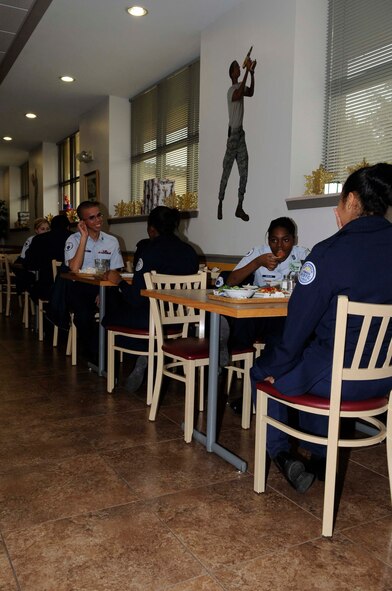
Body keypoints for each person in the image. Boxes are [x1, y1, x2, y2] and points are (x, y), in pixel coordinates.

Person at [250, 162, 392, 493]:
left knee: (267, 370)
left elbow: (297, 329)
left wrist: (274, 367)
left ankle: (284, 456)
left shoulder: (328, 253)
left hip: (335, 378)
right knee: (308, 366)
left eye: (340, 202)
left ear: (353, 201)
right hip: (383, 379)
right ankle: (319, 457)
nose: (337, 209)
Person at [102, 206, 199, 392]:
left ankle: (146, 351)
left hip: (150, 319)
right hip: (180, 322)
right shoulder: (190, 252)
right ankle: (155, 350)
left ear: (151, 229)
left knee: (108, 316)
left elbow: (136, 298)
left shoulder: (149, 251)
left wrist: (119, 281)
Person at [218, 217, 309, 413]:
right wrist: (257, 263)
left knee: (284, 338)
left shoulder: (303, 256)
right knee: (244, 322)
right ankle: (226, 343)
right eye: (274, 240)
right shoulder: (259, 252)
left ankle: (261, 390)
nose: (279, 246)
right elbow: (231, 280)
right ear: (268, 239)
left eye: (285, 240)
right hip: (260, 314)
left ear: (294, 240)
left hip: (286, 316)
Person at [64, 200, 124, 361]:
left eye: (99, 215)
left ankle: (107, 350)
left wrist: (102, 291)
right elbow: (74, 269)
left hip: (105, 287)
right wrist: (83, 238)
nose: (98, 220)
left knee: (119, 309)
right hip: (80, 287)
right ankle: (97, 353)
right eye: (92, 218)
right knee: (83, 316)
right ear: (82, 222)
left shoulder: (112, 241)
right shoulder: (73, 239)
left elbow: (116, 270)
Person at [217, 54, 256, 222]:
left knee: (244, 170)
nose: (238, 70)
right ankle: (220, 201)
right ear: (232, 73)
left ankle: (239, 206)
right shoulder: (231, 90)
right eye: (236, 68)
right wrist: (248, 71)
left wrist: (252, 73)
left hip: (240, 134)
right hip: (233, 134)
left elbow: (251, 92)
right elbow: (239, 94)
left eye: (239, 68)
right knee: (226, 170)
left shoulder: (240, 85)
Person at [24, 214, 72, 302]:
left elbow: (29, 264)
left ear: (51, 227)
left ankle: (47, 312)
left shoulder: (39, 239)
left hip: (47, 287)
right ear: (68, 227)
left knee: (31, 285)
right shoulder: (76, 238)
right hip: (72, 287)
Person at [13, 217, 51, 294]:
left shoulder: (51, 240)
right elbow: (23, 257)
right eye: (42, 229)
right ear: (36, 230)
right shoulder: (31, 240)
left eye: (47, 229)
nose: (46, 231)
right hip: (31, 269)